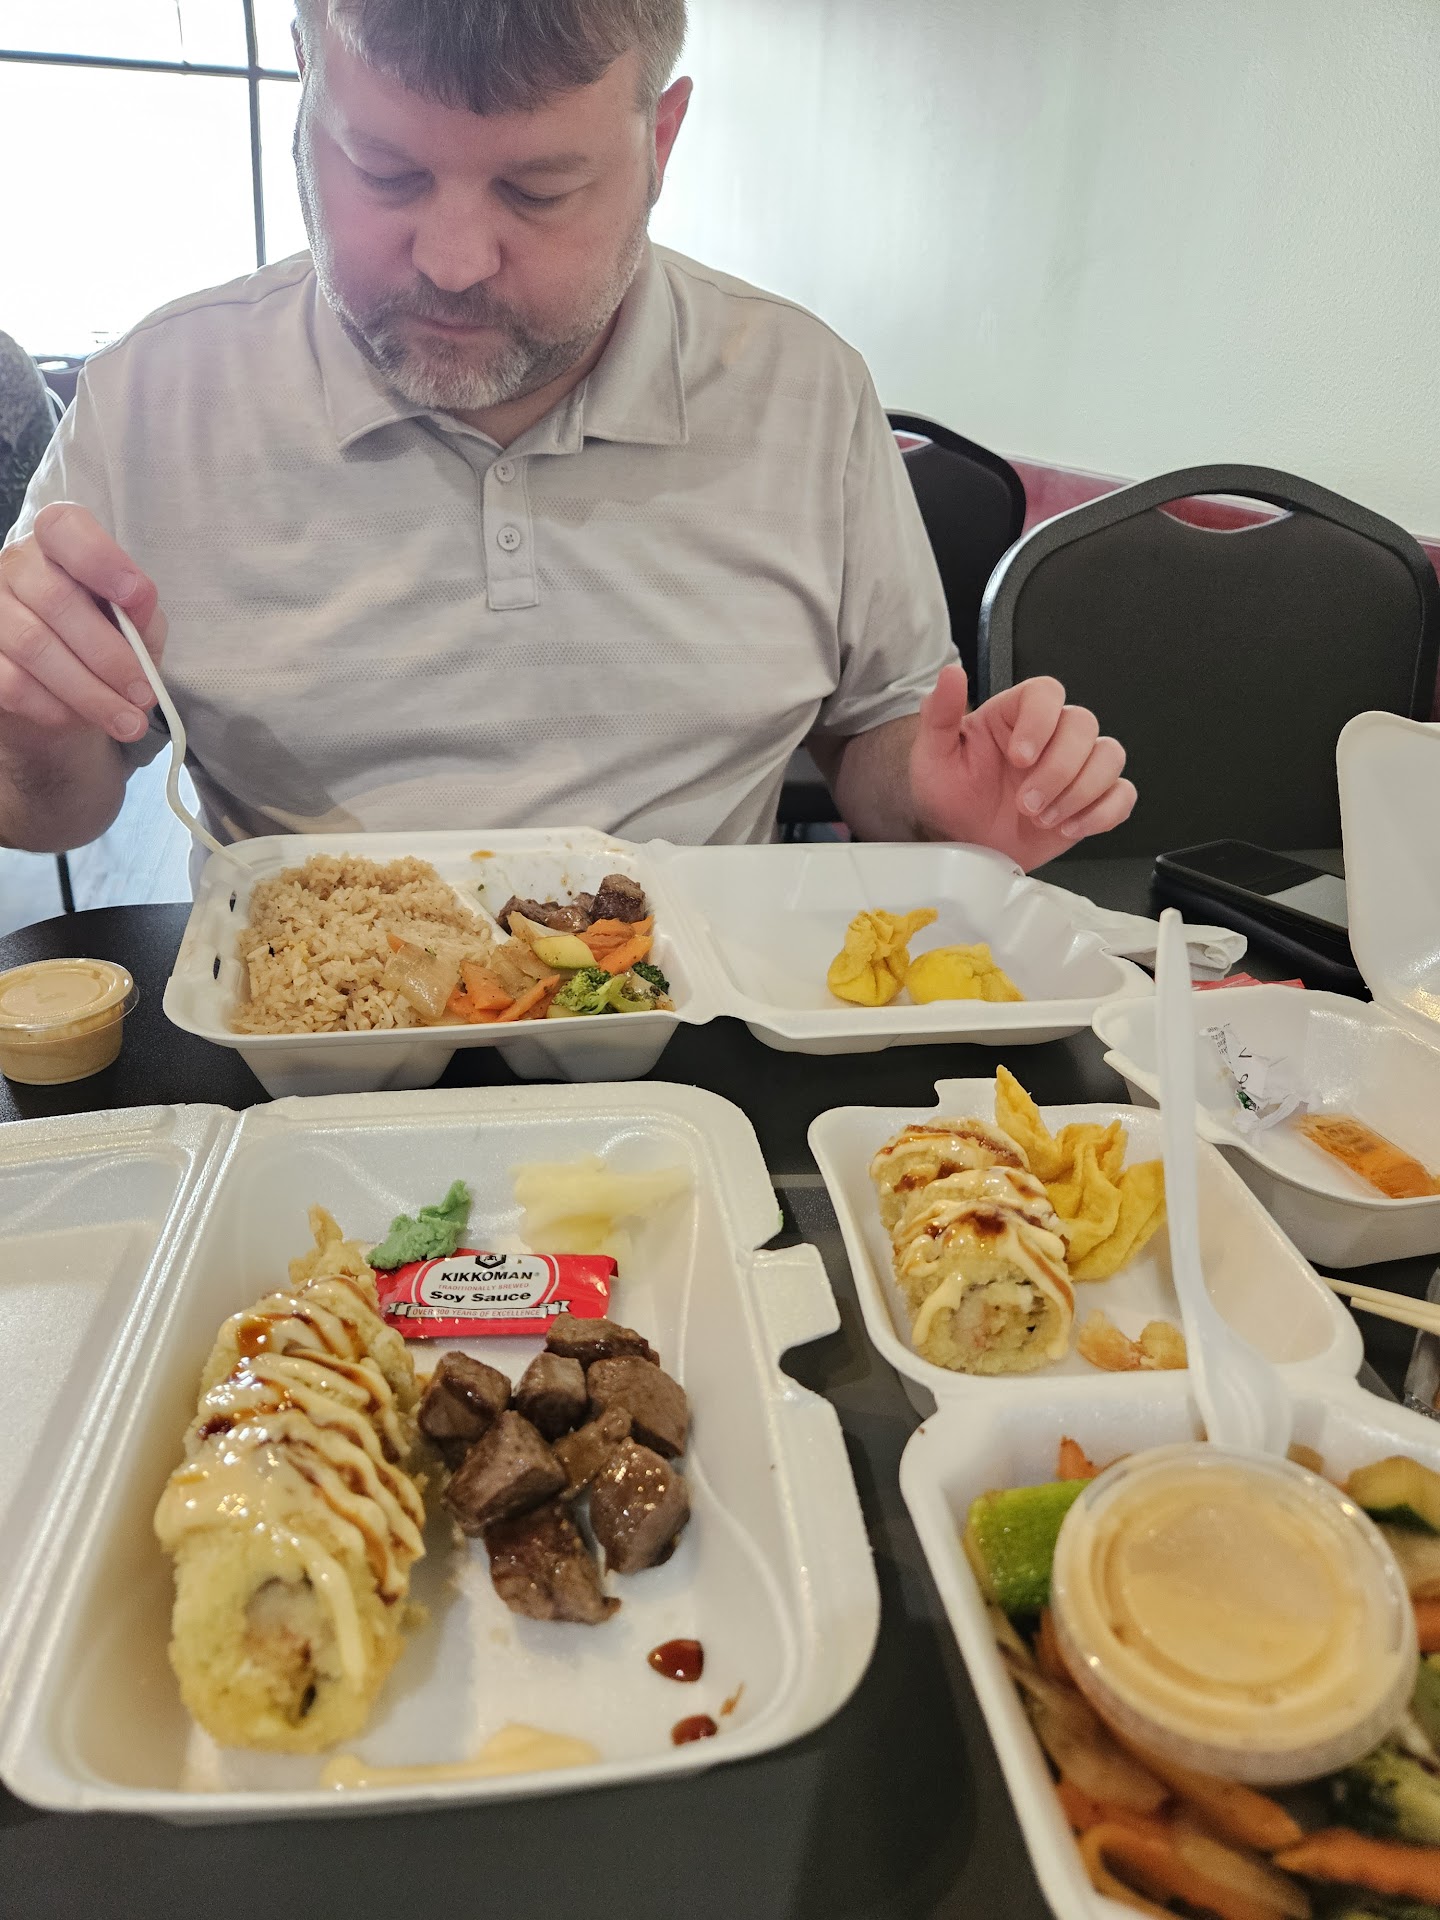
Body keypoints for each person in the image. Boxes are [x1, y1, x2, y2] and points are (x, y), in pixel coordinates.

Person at [0, 0, 1134, 870]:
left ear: (661, 140)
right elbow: (50, 815)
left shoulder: (806, 388)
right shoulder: (150, 397)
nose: (452, 262)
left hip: (695, 1047)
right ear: (305, 88)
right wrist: (27, 721)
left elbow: (876, 735)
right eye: (384, 172)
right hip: (300, 1042)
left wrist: (937, 802)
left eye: (538, 190)